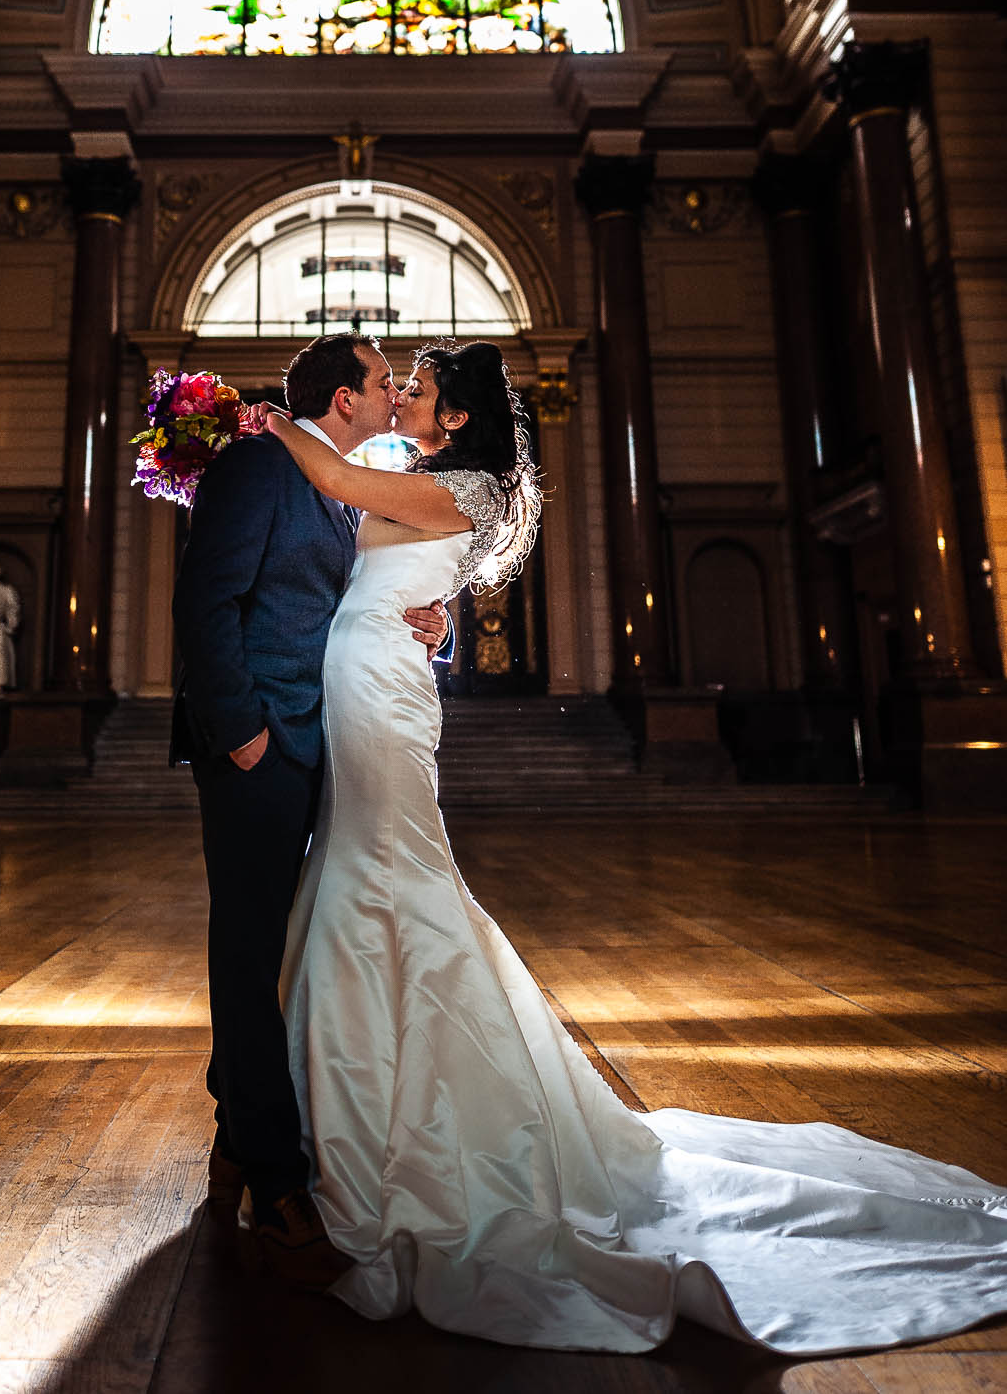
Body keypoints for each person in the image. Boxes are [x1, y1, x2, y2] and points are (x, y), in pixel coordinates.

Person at [257, 339, 1007, 1354]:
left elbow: (338, 480)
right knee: (361, 864)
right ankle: (354, 1098)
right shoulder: (419, 473)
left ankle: (416, 1107)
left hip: (380, 693)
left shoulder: (467, 485)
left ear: (460, 419)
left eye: (420, 389)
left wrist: (265, 422)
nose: (403, 396)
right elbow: (360, 525)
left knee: (391, 867)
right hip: (362, 672)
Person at [170, 332, 452, 1290]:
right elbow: (208, 597)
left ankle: (235, 1133)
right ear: (343, 397)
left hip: (318, 744)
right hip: (257, 743)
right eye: (381, 381)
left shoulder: (335, 484)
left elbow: (356, 604)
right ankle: (281, 1181)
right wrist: (238, 727)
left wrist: (432, 623)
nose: (392, 393)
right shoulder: (256, 464)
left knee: (275, 951)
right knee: (248, 953)